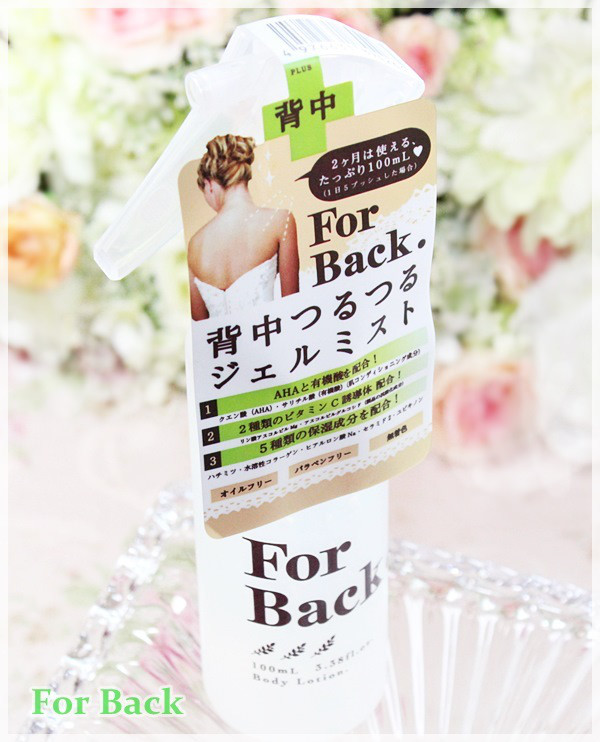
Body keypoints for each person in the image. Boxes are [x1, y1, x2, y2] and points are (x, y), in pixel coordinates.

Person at [188, 134, 299, 320]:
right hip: (269, 333)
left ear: (209, 185)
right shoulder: (280, 221)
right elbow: (293, 308)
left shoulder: (195, 244)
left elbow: (202, 329)